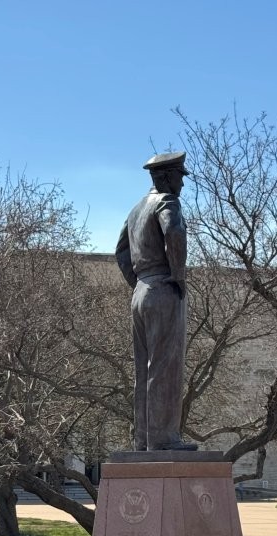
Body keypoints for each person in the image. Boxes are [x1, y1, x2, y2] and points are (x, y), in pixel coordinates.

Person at [115, 151, 197, 452]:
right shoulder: (166, 201)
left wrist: (138, 284)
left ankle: (144, 440)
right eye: (179, 177)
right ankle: (164, 440)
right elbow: (174, 232)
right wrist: (178, 275)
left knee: (144, 370)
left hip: (141, 292)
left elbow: (120, 253)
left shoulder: (136, 210)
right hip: (162, 288)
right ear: (165, 178)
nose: (182, 185)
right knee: (165, 367)